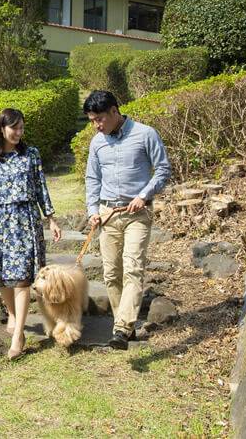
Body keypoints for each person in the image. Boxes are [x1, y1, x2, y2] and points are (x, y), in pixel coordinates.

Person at [83, 90, 171, 350]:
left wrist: (144, 195)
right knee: (111, 274)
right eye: (92, 121)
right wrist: (92, 210)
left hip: (137, 215)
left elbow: (163, 169)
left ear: (114, 111)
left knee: (133, 268)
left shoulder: (145, 134)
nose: (97, 126)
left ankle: (121, 329)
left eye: (99, 119)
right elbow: (92, 179)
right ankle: (127, 326)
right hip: (108, 215)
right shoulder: (97, 143)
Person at [0, 108, 62, 359]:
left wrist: (51, 219)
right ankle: (13, 314)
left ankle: (18, 336)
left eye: (21, 128)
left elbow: (40, 188)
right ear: (1, 129)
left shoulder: (31, 155)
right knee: (3, 276)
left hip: (25, 220)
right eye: (14, 127)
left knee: (24, 278)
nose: (18, 132)